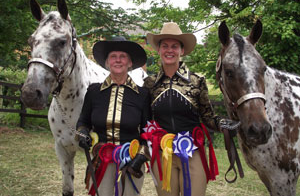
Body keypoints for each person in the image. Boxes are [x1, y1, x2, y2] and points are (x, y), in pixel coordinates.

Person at [144, 22, 240, 196]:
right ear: (158, 50)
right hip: (162, 154)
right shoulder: (150, 84)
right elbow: (144, 119)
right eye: (165, 46)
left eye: (174, 46)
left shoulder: (197, 81)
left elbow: (208, 116)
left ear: (182, 51)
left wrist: (222, 124)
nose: (169, 50)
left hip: (192, 152)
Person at [76, 36, 151, 196]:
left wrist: (141, 157)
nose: (118, 60)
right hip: (101, 159)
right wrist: (82, 132)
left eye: (122, 56)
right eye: (113, 57)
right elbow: (83, 121)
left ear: (130, 63)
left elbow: (148, 132)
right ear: (107, 62)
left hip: (132, 160)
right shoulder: (94, 91)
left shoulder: (142, 95)